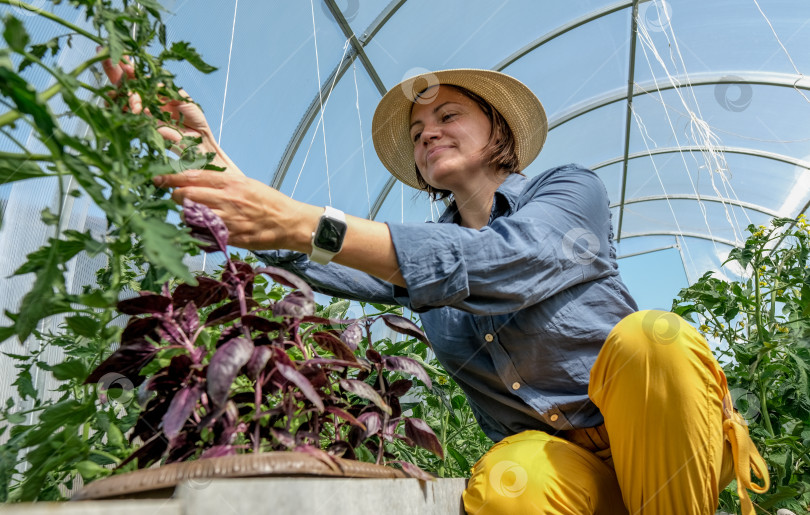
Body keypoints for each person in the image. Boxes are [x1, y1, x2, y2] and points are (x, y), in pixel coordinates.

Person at [102, 57, 769, 514]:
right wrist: (208, 163)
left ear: (499, 133)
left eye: (448, 117)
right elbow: (301, 247)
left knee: (654, 339)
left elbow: (509, 259)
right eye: (419, 133)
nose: (428, 133)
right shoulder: (409, 261)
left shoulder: (572, 189)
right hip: (573, 473)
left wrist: (308, 221)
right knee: (510, 484)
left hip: (661, 441)